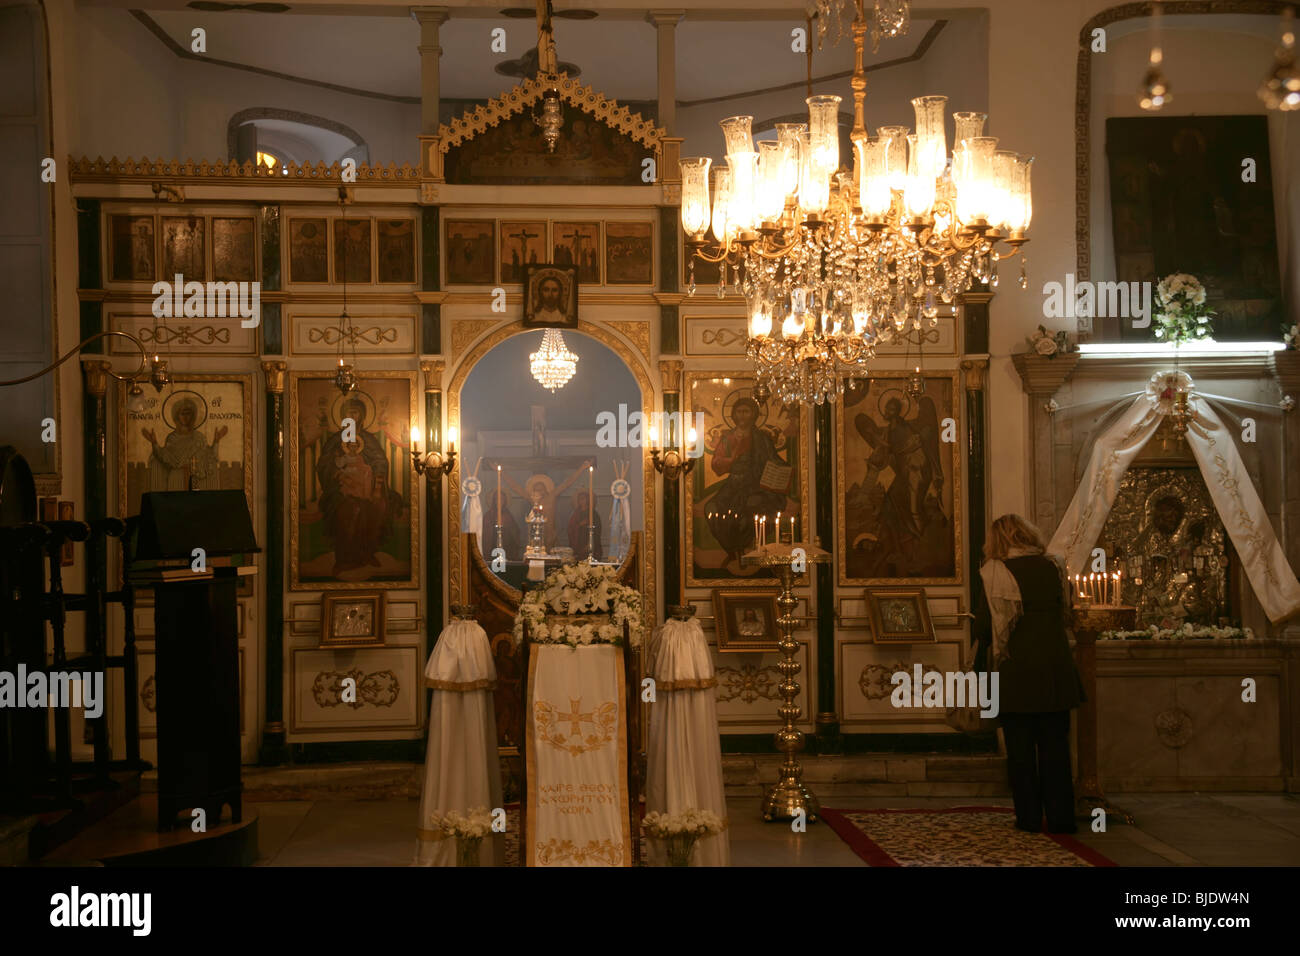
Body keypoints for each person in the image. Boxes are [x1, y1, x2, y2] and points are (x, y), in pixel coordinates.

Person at [973, 514, 1085, 834]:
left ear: (997, 541)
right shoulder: (1054, 567)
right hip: (1054, 669)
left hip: (1015, 671)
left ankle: (1029, 818)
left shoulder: (994, 573)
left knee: (1020, 751)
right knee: (1056, 749)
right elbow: (1068, 611)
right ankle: (1062, 818)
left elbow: (984, 626)